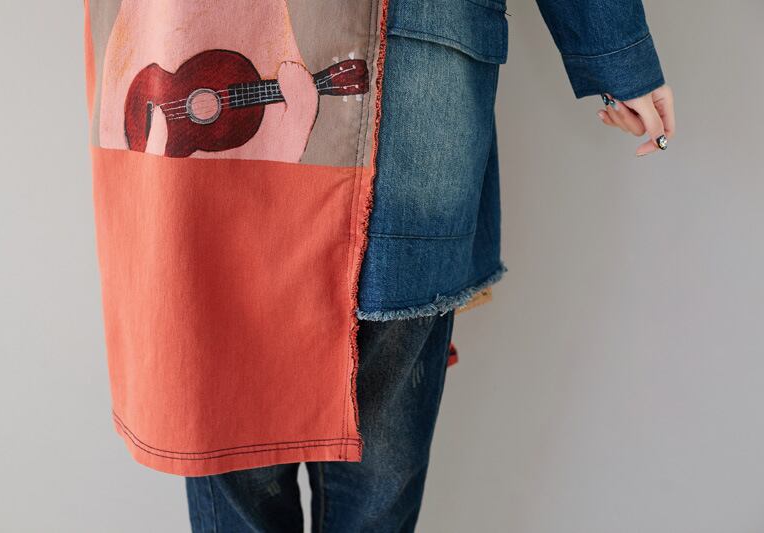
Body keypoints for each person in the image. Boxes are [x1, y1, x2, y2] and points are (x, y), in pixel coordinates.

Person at [81, 0, 674, 531]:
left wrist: (616, 50)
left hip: (395, 98)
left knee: (286, 477)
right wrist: (617, 54)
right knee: (351, 490)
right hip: (387, 88)